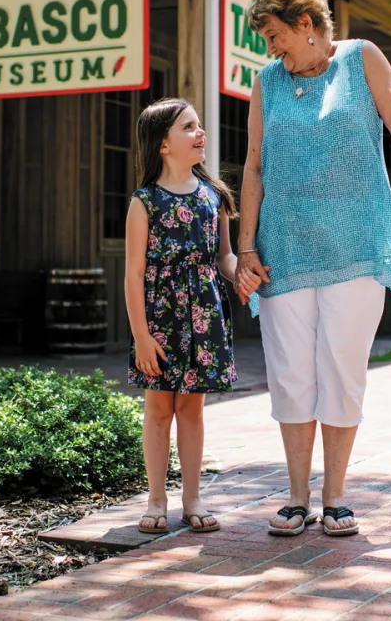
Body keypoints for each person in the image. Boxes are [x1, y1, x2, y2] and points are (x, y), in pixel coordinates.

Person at [234, 0, 391, 537]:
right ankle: (295, 496)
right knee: (289, 372)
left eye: (274, 35)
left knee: (341, 366)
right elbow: (255, 165)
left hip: (356, 246)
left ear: (305, 24)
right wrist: (244, 247)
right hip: (282, 250)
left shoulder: (362, 60)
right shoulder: (268, 81)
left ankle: (335, 496)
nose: (271, 48)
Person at [124, 98, 259, 534]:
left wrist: (242, 275)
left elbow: (222, 256)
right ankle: (156, 499)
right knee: (159, 408)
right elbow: (133, 276)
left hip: (203, 315)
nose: (201, 133)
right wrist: (142, 337)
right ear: (163, 143)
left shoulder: (213, 196)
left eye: (200, 126)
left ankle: (193, 497)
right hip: (160, 318)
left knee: (193, 411)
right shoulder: (143, 202)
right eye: (189, 127)